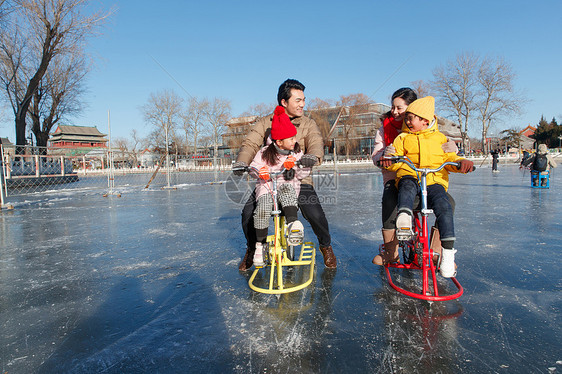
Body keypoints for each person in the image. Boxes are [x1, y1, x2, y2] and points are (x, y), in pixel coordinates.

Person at [233, 79, 336, 271]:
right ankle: (253, 248)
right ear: (283, 102)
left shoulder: (307, 123)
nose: (302, 104)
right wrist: (242, 163)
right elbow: (251, 144)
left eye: (303, 99)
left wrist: (311, 157)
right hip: (269, 181)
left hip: (297, 177)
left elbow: (315, 142)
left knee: (314, 213)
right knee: (248, 213)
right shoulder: (266, 123)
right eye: (298, 100)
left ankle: (326, 246)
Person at [382, 96, 474, 277]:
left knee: (444, 205)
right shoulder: (403, 138)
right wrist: (388, 160)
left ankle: (445, 253)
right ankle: (404, 219)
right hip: (409, 175)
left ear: (425, 121)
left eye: (411, 118)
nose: (407, 122)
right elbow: (396, 158)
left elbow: (449, 159)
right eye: (406, 118)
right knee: (405, 189)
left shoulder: (440, 138)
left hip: (434, 181)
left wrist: (461, 162)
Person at [371, 88, 457, 266]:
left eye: (400, 108)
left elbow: (443, 147)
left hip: (427, 179)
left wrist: (454, 149)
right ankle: (391, 251)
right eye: (393, 107)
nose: (395, 112)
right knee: (389, 200)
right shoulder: (385, 129)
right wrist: (383, 158)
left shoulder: (428, 126)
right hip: (395, 175)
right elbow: (376, 155)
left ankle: (436, 251)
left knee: (448, 202)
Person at [249, 106, 308, 266]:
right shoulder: (263, 153)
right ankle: (259, 245)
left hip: (287, 187)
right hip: (267, 188)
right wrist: (260, 171)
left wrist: (296, 165)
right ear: (279, 141)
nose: (294, 141)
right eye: (291, 139)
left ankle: (292, 225)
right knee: (262, 208)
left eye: (294, 137)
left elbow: (303, 174)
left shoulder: (295, 153)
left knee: (287, 190)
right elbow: (253, 167)